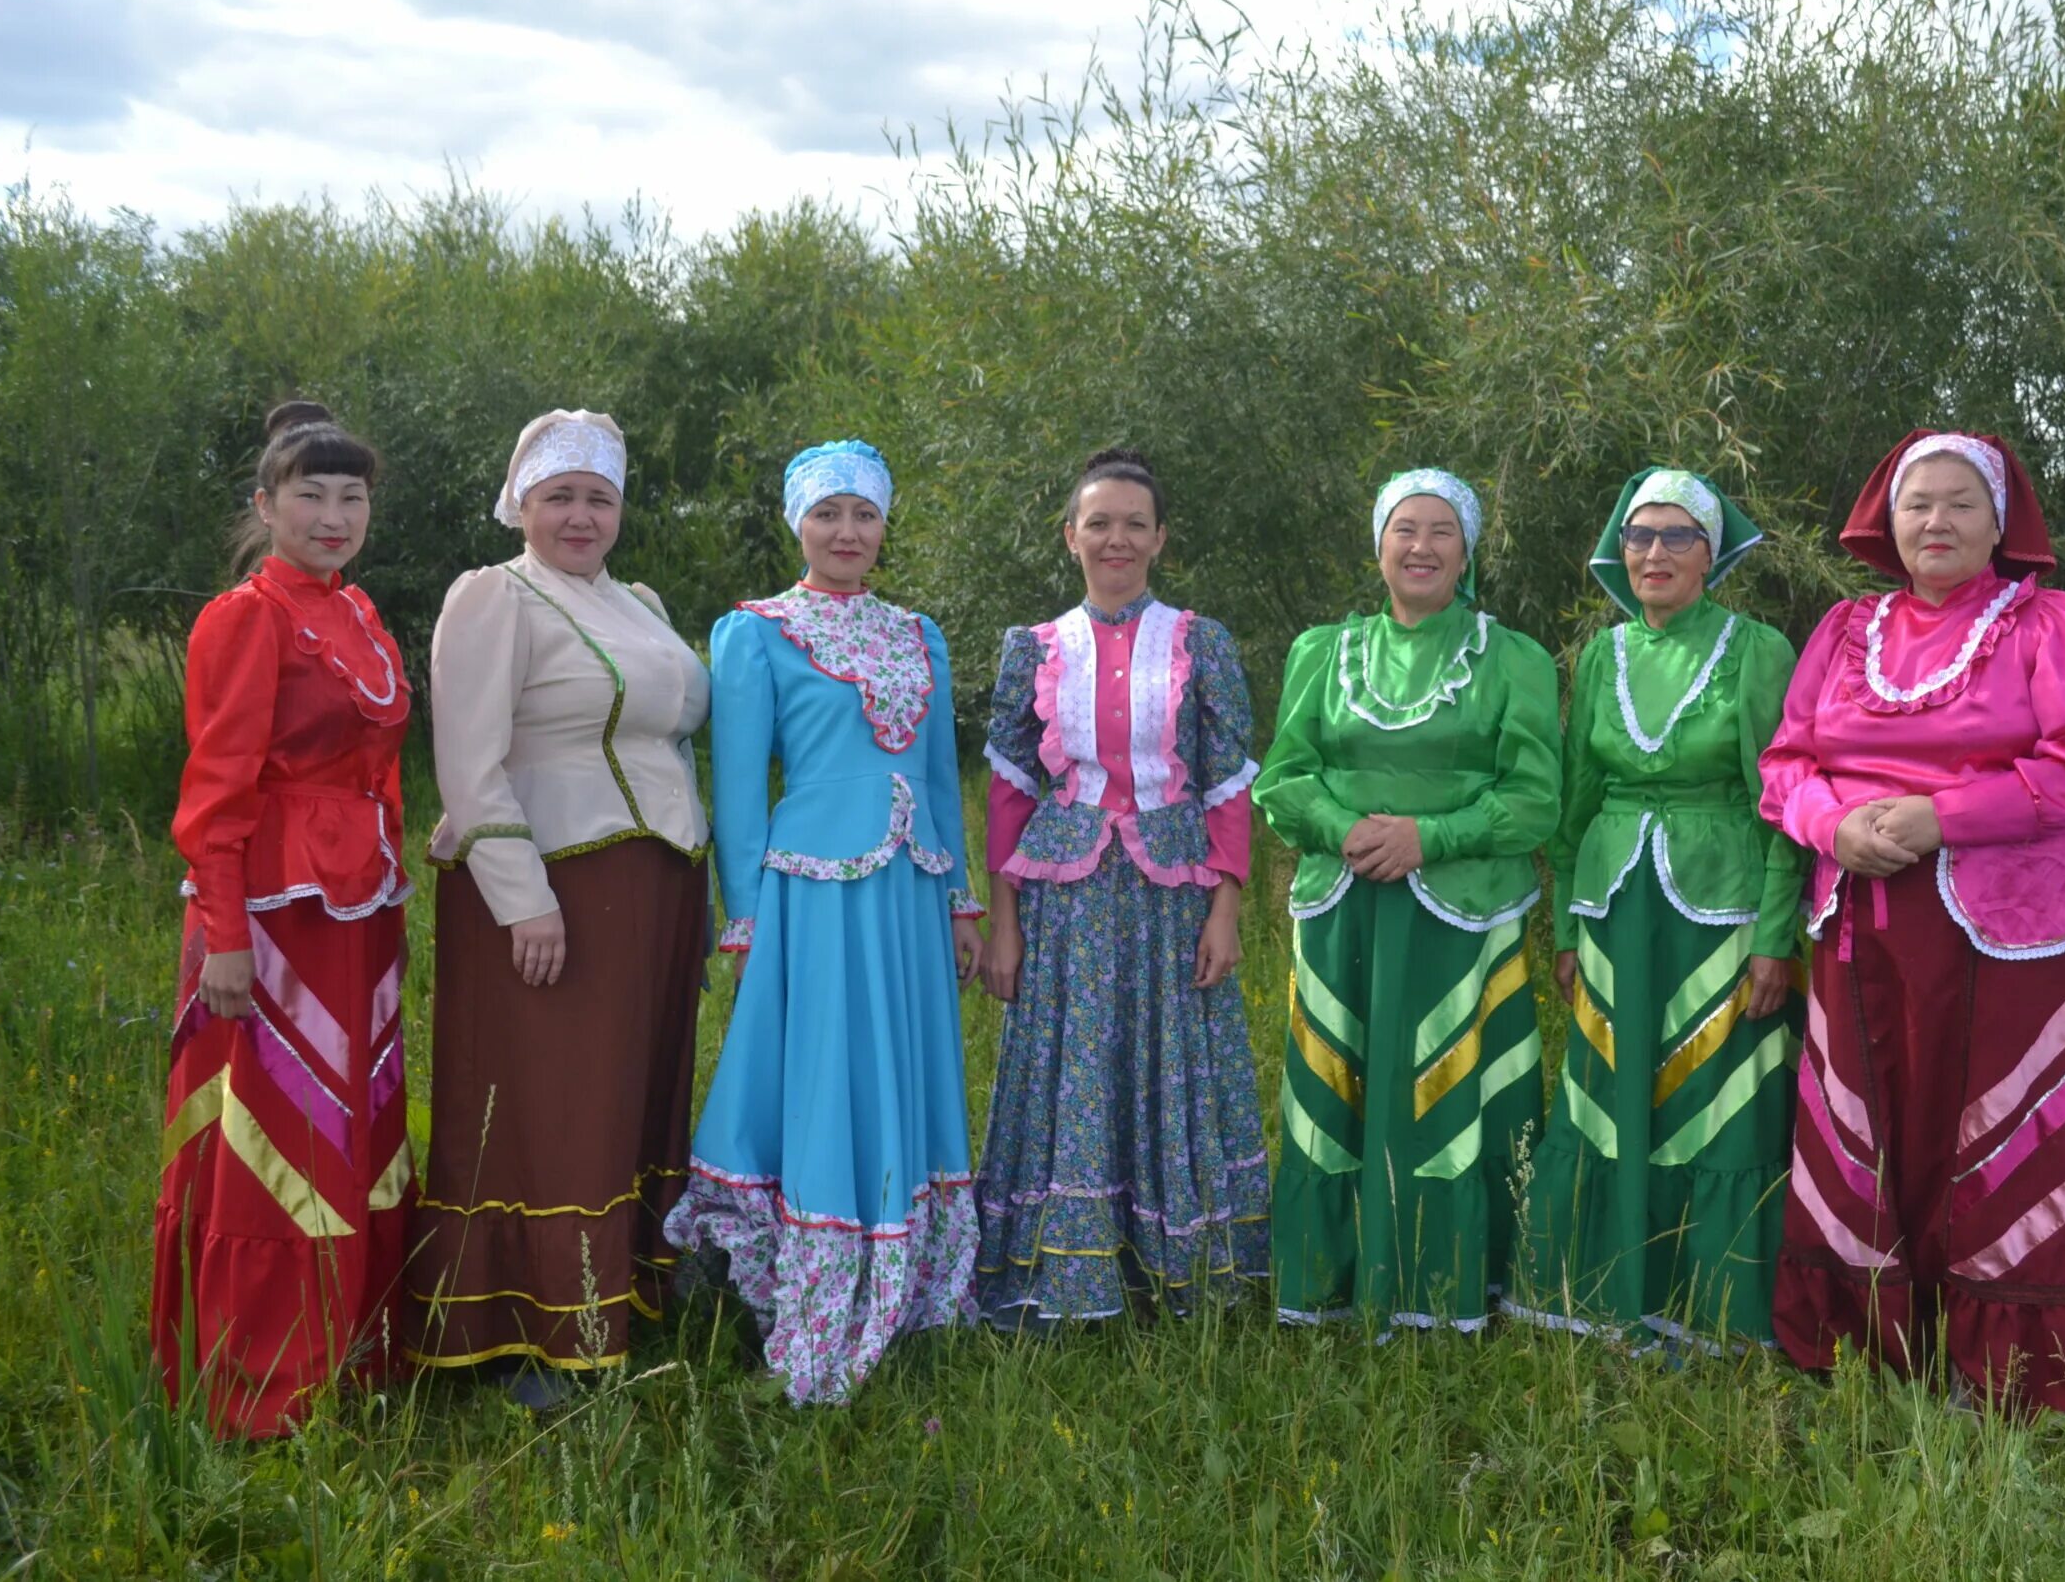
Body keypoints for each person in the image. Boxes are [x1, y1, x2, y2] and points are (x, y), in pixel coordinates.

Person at [1760, 428, 2065, 1433]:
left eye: (1961, 502)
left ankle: (2010, 1371)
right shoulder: (1844, 630)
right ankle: (1873, 1349)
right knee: (1876, 1124)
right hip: (1864, 920)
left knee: (1998, 1134)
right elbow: (1786, 765)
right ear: (1889, 522)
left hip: (2007, 930)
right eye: (1918, 502)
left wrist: (1940, 817)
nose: (1936, 520)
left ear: (1999, 524)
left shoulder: (2051, 626)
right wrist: (1830, 825)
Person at [665, 441, 984, 1403]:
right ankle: (815, 1282)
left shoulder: (920, 633)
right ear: (796, 523)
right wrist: (745, 919)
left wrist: (961, 899)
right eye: (828, 514)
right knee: (823, 1070)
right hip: (812, 890)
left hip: (912, 891)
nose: (848, 532)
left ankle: (913, 1282)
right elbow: (738, 788)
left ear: (884, 526)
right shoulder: (753, 632)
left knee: (904, 1066)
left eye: (865, 515)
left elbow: (939, 777)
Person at [411, 410, 712, 1407]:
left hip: (653, 886)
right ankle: (527, 1330)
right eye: (560, 497)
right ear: (522, 504)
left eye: (598, 498)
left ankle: (619, 1293)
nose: (580, 517)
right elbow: (469, 761)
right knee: (555, 1103)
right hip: (552, 887)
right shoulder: (494, 596)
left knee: (626, 1093)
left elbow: (669, 744)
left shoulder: (641, 603)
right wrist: (522, 897)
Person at [154, 400, 416, 1439]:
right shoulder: (246, 617)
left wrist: (397, 885)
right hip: (270, 914)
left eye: (353, 496)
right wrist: (224, 937)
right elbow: (213, 795)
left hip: (359, 911)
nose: (334, 515)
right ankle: (262, 1385)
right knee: (279, 1134)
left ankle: (355, 1353)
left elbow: (379, 773)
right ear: (266, 505)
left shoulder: (360, 614)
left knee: (353, 1121)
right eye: (312, 495)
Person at [1257, 468, 1560, 1331]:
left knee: (1448, 1089)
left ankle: (1453, 1283)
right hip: (1345, 901)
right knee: (1338, 1089)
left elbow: (1535, 797)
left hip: (1462, 911)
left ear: (1467, 553)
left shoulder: (1515, 658)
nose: (1421, 546)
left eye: (1441, 532)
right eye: (1405, 529)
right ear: (1379, 545)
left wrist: (1429, 837)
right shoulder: (1322, 651)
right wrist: (1347, 826)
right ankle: (1328, 1280)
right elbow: (1283, 777)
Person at [972, 449, 1269, 1323]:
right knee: (1075, 1069)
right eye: (1099, 522)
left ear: (1161, 537)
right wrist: (1004, 921)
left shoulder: (1199, 642)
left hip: (1171, 897)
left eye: (1136, 523)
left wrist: (1226, 906)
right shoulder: (1034, 648)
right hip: (1066, 901)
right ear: (1070, 535)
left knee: (1167, 1064)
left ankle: (1175, 1259)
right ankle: (1068, 1265)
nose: (1117, 539)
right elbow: (1009, 792)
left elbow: (1227, 783)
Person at [1512, 469, 1804, 1348]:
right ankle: (1609, 1290)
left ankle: (1712, 1305)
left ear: (1712, 555)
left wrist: (1775, 937)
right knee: (1611, 1091)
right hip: (1614, 911)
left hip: (1722, 914)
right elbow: (1574, 803)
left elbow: (1784, 804)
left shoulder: (1757, 649)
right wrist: (1568, 928)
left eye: (1678, 536)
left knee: (1718, 1101)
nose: (1655, 552)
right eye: (1639, 536)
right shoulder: (1601, 655)